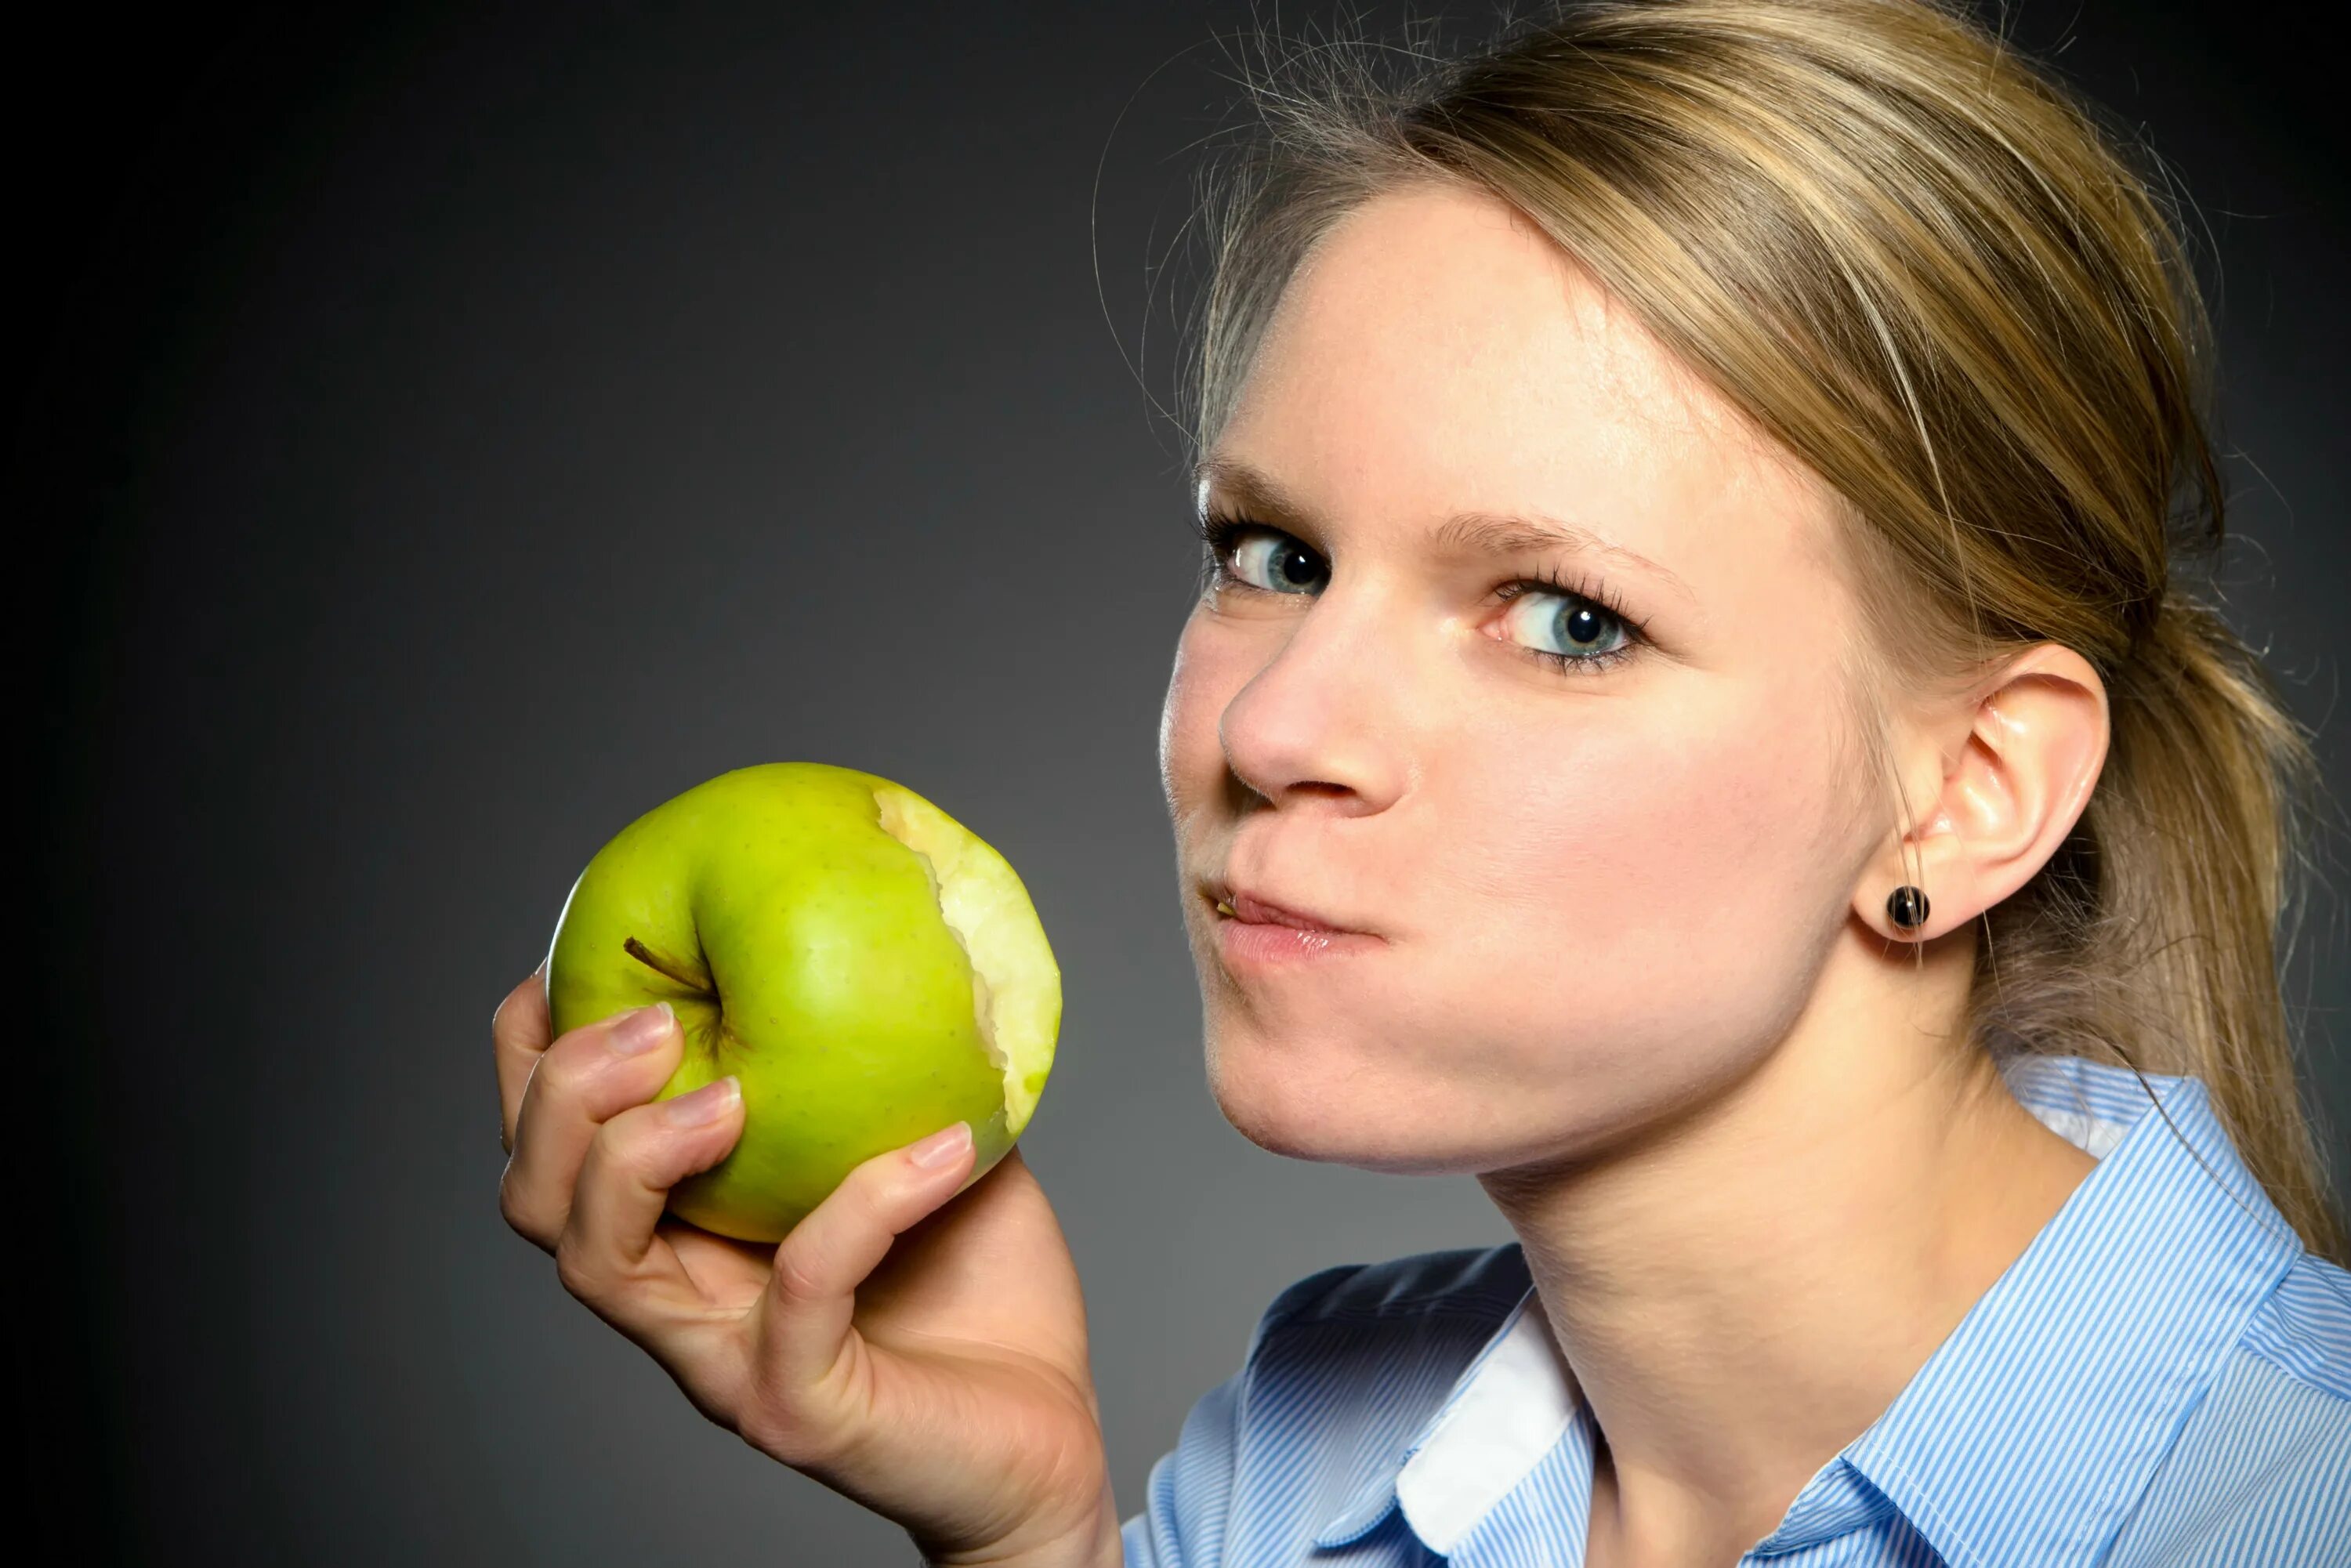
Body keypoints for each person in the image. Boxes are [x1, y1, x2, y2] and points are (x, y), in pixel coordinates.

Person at [489, 1, 2351, 1563]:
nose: (1278, 726)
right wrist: (1032, 1537)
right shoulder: (1291, 1469)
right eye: (1273, 555)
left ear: (1966, 790)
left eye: (1562, 616)